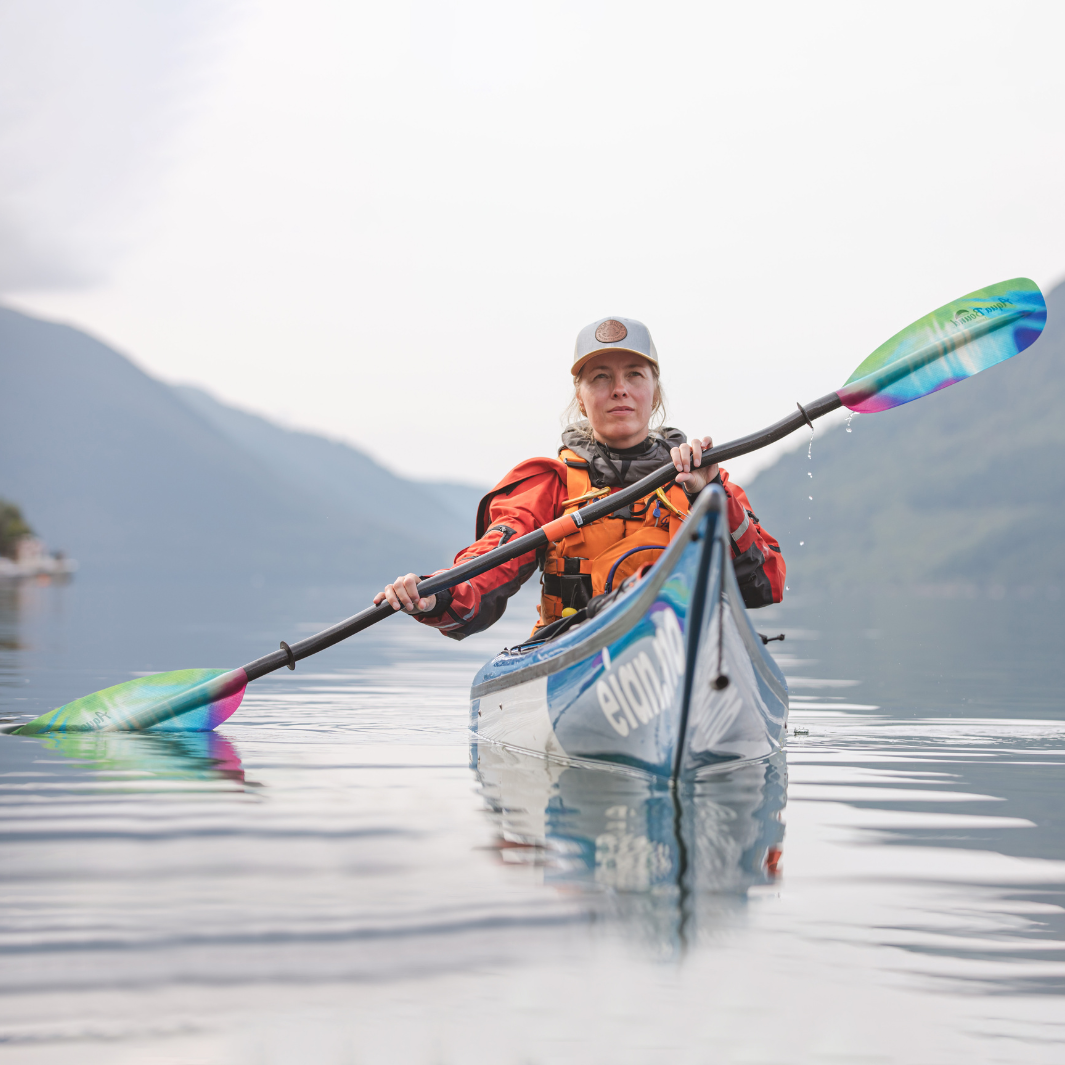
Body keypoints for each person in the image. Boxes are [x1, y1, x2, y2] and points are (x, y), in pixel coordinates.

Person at [374, 316, 785, 639]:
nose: (619, 389)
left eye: (634, 375)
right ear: (581, 397)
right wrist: (436, 593)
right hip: (571, 646)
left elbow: (764, 584)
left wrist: (708, 495)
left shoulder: (706, 480)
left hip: (684, 644)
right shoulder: (549, 484)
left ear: (654, 393)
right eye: (601, 377)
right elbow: (489, 565)